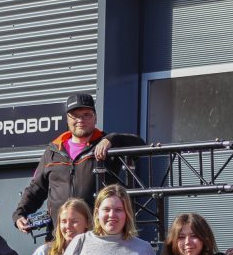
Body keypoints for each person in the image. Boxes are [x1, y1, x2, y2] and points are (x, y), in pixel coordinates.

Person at [13, 93, 144, 237]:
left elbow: (140, 146)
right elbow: (36, 188)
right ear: (67, 119)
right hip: (60, 236)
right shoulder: (53, 150)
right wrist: (20, 214)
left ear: (95, 117)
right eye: (74, 116)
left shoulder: (108, 146)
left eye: (86, 115)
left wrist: (112, 139)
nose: (80, 120)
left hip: (97, 235)